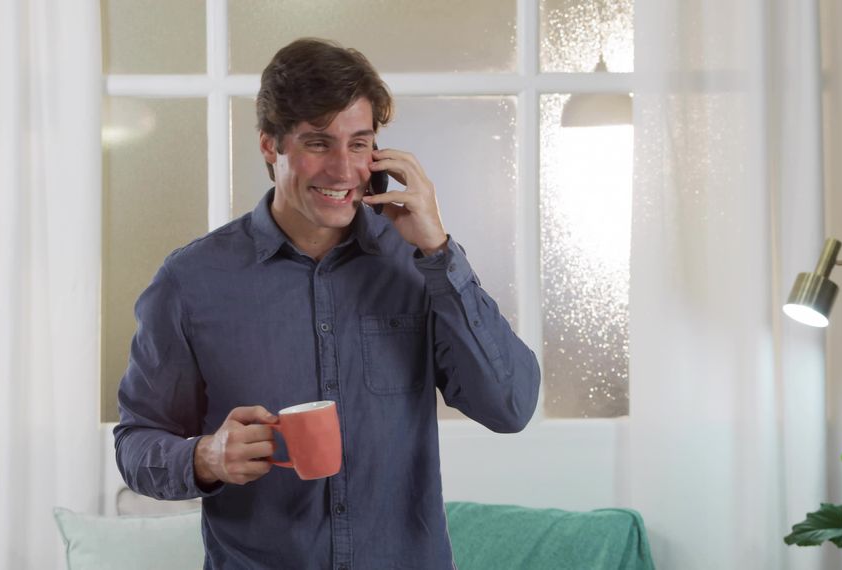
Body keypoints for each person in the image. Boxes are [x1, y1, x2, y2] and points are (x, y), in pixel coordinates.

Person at [114, 38, 540, 569]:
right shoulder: (191, 282)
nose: (343, 170)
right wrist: (204, 456)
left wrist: (438, 250)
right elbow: (136, 441)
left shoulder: (418, 263)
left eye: (359, 144)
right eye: (319, 143)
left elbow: (511, 406)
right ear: (270, 145)